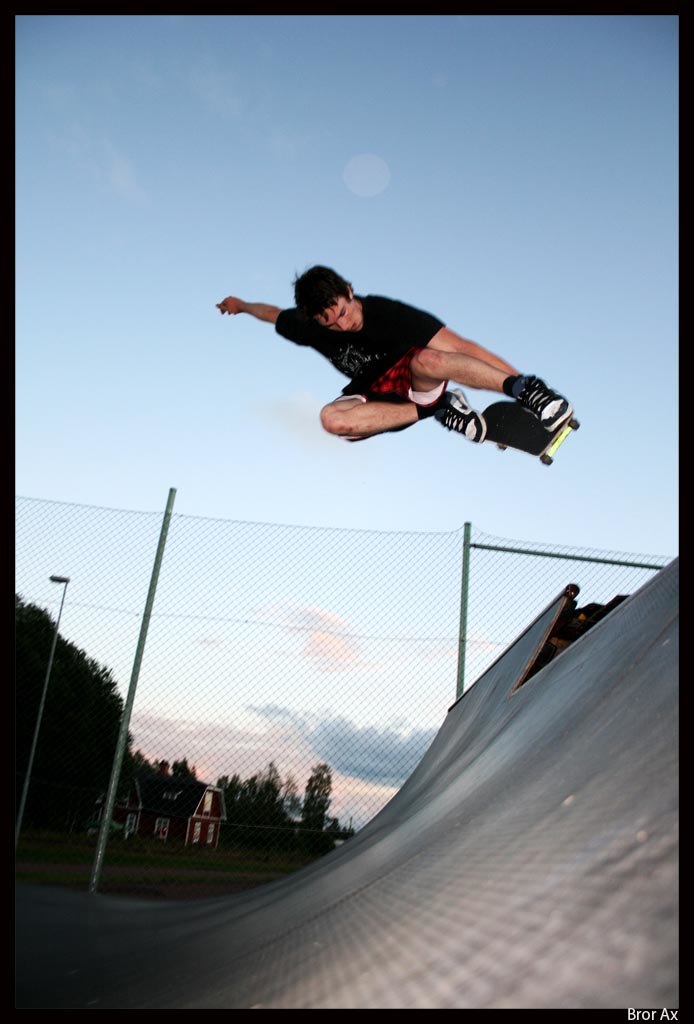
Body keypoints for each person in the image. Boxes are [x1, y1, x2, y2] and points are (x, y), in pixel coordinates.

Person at [216, 265, 572, 444]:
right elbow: (273, 313)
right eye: (331, 323)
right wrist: (241, 305)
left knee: (430, 358)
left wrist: (518, 387)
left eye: (344, 311)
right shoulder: (308, 325)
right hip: (377, 396)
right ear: (315, 320)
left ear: (350, 291)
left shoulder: (390, 314)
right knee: (332, 420)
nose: (343, 324)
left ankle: (529, 391)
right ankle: (437, 408)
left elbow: (463, 349)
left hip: (413, 377)